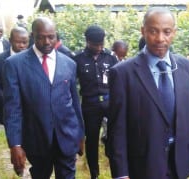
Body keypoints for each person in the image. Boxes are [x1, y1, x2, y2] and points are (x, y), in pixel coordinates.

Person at [107, 7, 189, 179]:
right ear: (143, 31)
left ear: (174, 33)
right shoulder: (123, 73)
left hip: (180, 162)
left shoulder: (188, 69)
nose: (160, 38)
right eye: (153, 31)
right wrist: (121, 173)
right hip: (143, 165)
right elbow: (117, 129)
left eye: (167, 32)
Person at [3, 17, 84, 178]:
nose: (47, 41)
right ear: (33, 35)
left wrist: (81, 134)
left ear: (56, 36)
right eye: (41, 37)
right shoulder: (15, 64)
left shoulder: (69, 63)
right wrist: (15, 144)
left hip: (67, 137)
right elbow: (13, 108)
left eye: (51, 36)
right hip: (36, 139)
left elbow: (74, 102)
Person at [73, 25, 118, 179]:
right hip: (90, 105)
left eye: (101, 44)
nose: (99, 47)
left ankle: (117, 170)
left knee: (114, 137)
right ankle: (94, 174)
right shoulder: (78, 59)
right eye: (95, 44)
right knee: (91, 141)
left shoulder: (110, 57)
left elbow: (118, 81)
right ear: (87, 41)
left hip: (109, 103)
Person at [0, 26, 29, 125]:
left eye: (25, 42)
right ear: (10, 41)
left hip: (31, 108)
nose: (22, 46)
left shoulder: (35, 59)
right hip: (9, 109)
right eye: (18, 42)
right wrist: (9, 98)